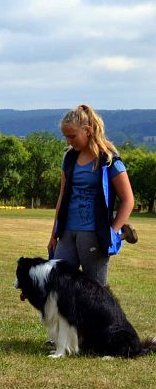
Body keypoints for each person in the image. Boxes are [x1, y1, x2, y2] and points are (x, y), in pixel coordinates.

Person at [48, 104, 136, 286]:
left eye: (72, 136)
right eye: (66, 137)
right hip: (66, 231)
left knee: (94, 292)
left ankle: (120, 233)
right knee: (57, 285)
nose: (68, 141)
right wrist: (53, 234)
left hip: (94, 233)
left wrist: (111, 232)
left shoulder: (109, 160)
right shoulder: (69, 158)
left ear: (87, 131)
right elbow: (62, 197)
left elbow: (128, 200)